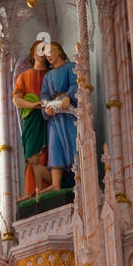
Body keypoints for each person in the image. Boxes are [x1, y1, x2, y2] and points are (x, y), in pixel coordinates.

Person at [13, 39, 52, 199]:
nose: (42, 53)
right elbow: (16, 99)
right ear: (33, 53)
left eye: (45, 49)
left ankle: (49, 187)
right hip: (31, 118)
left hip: (49, 117)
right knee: (31, 154)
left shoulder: (52, 74)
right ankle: (31, 190)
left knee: (49, 151)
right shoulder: (24, 76)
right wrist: (31, 104)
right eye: (39, 49)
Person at [38, 41, 78, 193]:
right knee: (55, 147)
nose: (48, 56)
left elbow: (76, 84)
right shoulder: (47, 77)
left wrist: (68, 97)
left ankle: (81, 177)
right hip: (55, 117)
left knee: (73, 143)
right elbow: (44, 95)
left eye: (51, 52)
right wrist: (46, 108)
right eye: (46, 54)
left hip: (69, 114)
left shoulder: (70, 67)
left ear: (59, 52)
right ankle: (56, 183)